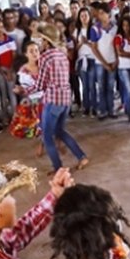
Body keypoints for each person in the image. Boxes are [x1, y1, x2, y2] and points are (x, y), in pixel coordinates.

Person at [28, 24, 89, 174]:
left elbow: (41, 84)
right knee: (60, 131)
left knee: (47, 136)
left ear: (47, 41)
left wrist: (25, 90)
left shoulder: (45, 57)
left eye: (42, 40)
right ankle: (81, 156)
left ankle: (58, 168)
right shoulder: (62, 54)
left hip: (53, 100)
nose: (40, 43)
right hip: (65, 99)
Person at [114, 15, 130, 122]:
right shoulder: (118, 37)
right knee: (128, 89)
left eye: (128, 25)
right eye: (124, 25)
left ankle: (128, 109)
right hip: (123, 67)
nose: (126, 28)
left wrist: (127, 54)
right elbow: (119, 52)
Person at [74, 7, 97, 118]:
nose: (84, 18)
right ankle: (86, 108)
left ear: (89, 16)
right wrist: (80, 43)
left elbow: (96, 46)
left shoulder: (93, 29)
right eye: (82, 16)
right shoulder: (77, 30)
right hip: (81, 59)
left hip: (91, 59)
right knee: (85, 86)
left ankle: (94, 108)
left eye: (86, 15)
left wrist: (86, 42)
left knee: (92, 85)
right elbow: (75, 48)